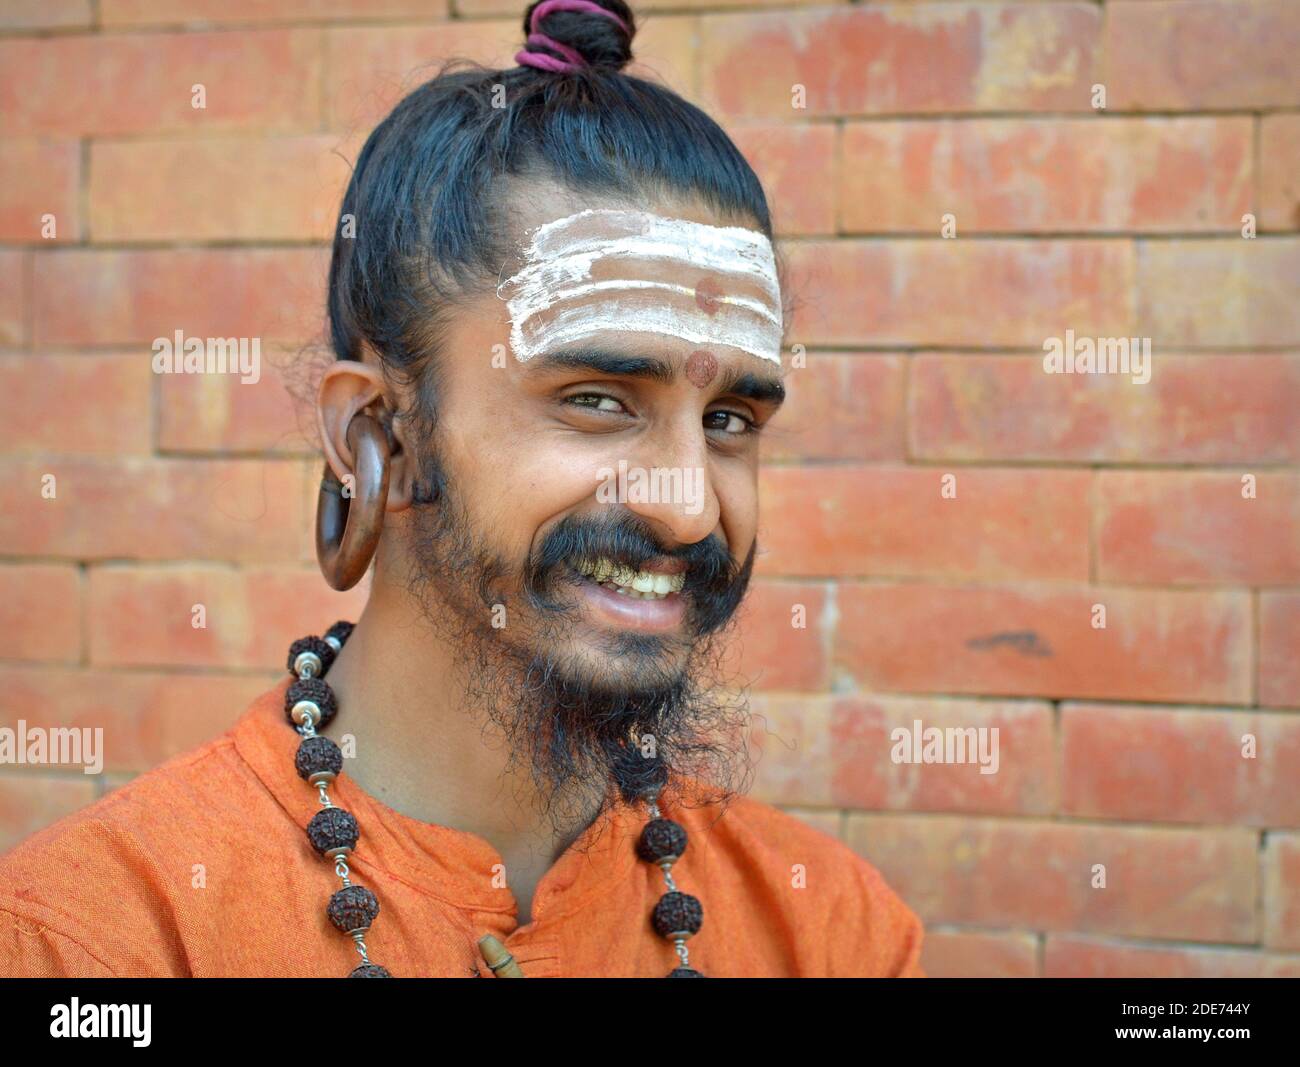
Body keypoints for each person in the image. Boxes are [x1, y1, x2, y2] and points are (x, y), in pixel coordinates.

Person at [0, 0, 924, 978]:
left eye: (730, 420)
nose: (689, 507)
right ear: (378, 432)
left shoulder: (835, 934)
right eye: (598, 398)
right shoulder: (93, 940)